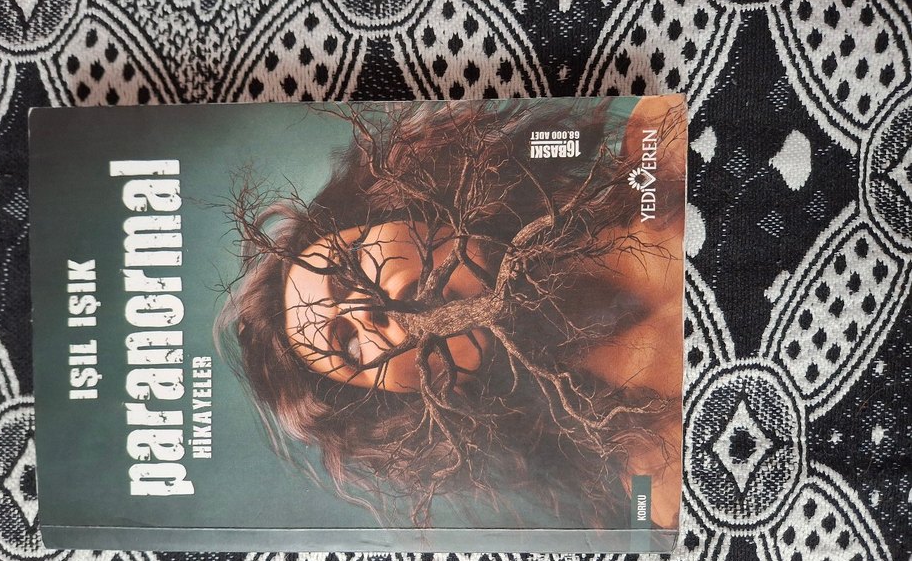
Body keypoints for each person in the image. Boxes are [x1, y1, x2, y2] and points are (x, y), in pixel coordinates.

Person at [217, 96, 687, 529]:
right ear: (406, 402)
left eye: (346, 270)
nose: (368, 311)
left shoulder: (660, 137)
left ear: (402, 208)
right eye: (351, 346)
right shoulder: (659, 483)